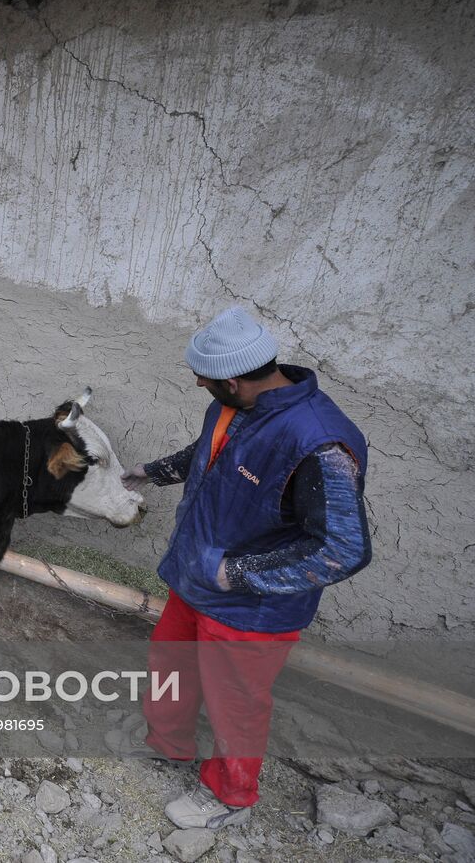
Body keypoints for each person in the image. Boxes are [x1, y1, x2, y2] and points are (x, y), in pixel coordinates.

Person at [119, 306, 371, 829]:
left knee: (236, 703)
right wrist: (150, 472)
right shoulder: (234, 407)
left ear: (233, 379)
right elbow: (209, 453)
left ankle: (228, 796)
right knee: (169, 670)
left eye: (203, 378)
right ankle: (168, 745)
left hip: (248, 608)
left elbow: (343, 549)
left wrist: (237, 573)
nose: (196, 381)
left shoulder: (319, 441)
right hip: (196, 580)